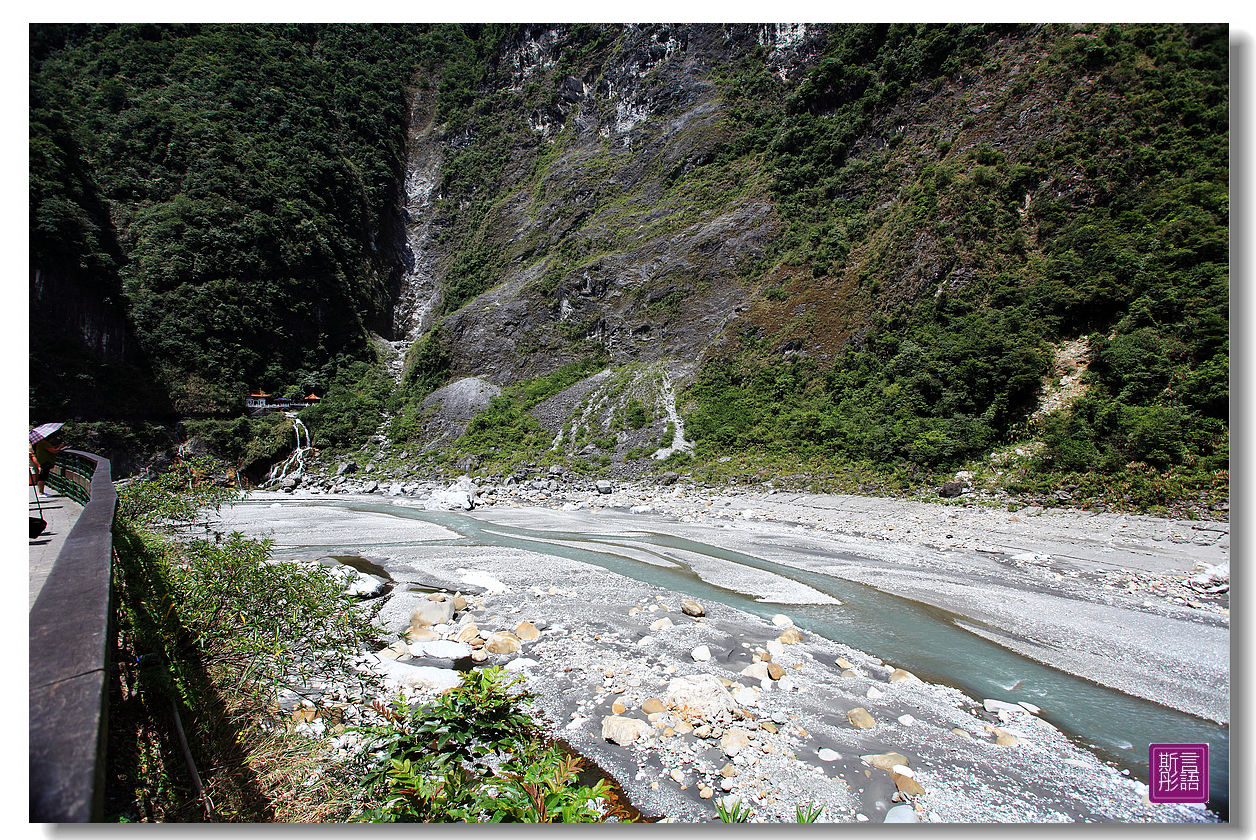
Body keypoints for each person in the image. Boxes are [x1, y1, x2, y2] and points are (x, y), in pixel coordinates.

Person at [30, 430, 64, 497]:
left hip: (42, 461)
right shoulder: (44, 443)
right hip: (45, 461)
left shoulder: (41, 443)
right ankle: (41, 493)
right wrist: (60, 446)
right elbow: (54, 451)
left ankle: (41, 492)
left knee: (42, 476)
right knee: (43, 477)